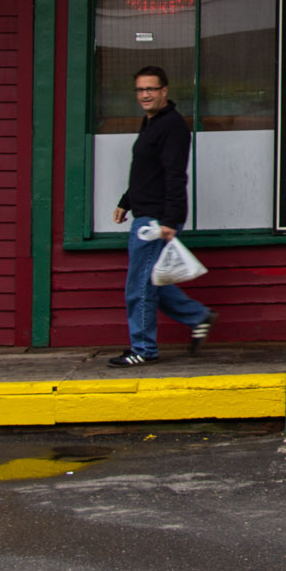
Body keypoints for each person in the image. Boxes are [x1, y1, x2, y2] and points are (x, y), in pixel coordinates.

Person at [108, 65, 215, 367]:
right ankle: (198, 316)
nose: (145, 95)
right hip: (146, 212)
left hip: (156, 219)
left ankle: (143, 349)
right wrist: (126, 202)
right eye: (140, 90)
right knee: (151, 281)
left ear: (164, 91)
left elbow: (174, 175)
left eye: (151, 89)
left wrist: (170, 219)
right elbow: (146, 172)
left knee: (138, 286)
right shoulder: (152, 122)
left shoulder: (172, 127)